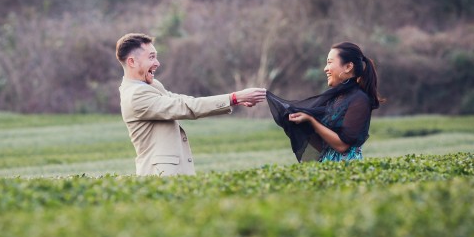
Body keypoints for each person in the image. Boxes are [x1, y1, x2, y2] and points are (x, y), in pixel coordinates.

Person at [116, 33, 266, 176]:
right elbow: (185, 107)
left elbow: (182, 100)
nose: (157, 63)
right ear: (132, 62)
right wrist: (233, 98)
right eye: (151, 57)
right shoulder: (136, 95)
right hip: (160, 176)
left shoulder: (151, 85)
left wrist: (236, 99)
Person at [267, 41, 383, 162]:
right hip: (326, 166)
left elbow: (342, 146)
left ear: (348, 67)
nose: (325, 69)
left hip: (346, 169)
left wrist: (312, 120)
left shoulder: (359, 99)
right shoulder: (336, 97)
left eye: (329, 62)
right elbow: (325, 144)